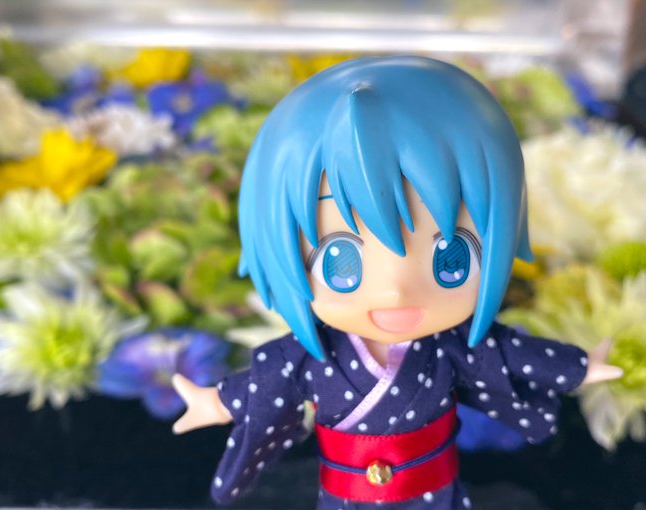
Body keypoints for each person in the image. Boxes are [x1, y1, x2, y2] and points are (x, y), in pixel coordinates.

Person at [171, 56, 622, 509]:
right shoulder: (310, 359)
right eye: (341, 262)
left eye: (451, 258)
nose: (396, 291)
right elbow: (265, 384)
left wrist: (578, 366)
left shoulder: (452, 346)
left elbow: (511, 355)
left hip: (433, 490)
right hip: (346, 496)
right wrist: (215, 402)